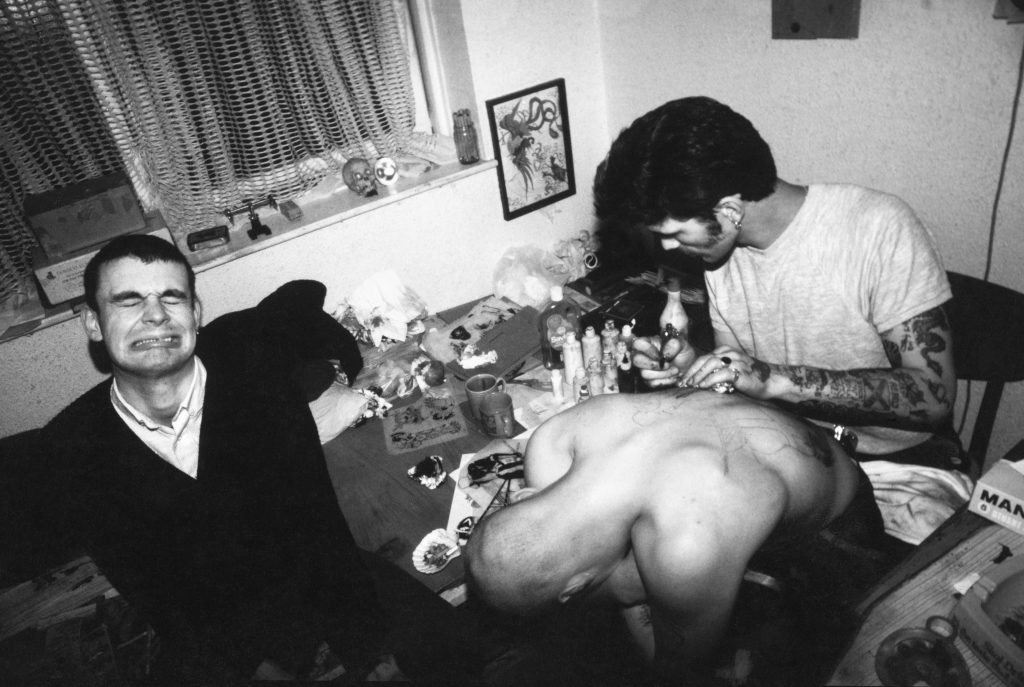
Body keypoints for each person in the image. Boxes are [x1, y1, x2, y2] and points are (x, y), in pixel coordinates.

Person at [30, 235, 433, 681]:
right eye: (128, 301)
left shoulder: (261, 386)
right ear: (93, 323)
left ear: (196, 313)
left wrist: (369, 651)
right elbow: (154, 593)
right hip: (214, 635)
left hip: (310, 589)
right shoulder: (74, 450)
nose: (156, 314)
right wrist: (258, 671)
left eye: (172, 297)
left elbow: (320, 526)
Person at [592, 96, 959, 469]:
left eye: (673, 233)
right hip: (791, 448)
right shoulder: (718, 252)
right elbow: (741, 381)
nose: (668, 247)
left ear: (730, 211)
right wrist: (692, 366)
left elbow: (934, 396)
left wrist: (774, 380)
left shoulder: (880, 229)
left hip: (897, 461)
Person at [465, 390, 894, 684]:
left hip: (832, 525)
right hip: (748, 476)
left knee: (829, 655)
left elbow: (678, 670)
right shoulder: (553, 441)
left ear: (576, 587)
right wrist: (629, 587)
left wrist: (623, 590)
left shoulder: (688, 548)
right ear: (522, 497)